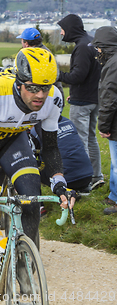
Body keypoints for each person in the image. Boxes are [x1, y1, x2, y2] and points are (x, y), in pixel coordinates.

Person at [0, 48, 76, 299]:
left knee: (31, 193)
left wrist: (59, 183)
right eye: (33, 88)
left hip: (12, 139)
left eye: (46, 87)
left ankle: (23, 265)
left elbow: (51, 147)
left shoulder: (54, 98)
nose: (40, 95)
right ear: (19, 82)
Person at [57, 14, 104, 190]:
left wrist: (57, 75)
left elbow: (78, 75)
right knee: (91, 138)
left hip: (83, 102)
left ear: (70, 28)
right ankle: (96, 176)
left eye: (62, 28)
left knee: (80, 140)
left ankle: (83, 182)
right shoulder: (91, 42)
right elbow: (92, 75)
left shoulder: (82, 47)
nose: (61, 32)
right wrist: (75, 94)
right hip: (94, 98)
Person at [90, 26, 117, 214]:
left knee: (116, 164)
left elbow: (109, 96)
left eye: (98, 48)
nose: (97, 52)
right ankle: (114, 196)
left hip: (115, 123)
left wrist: (104, 125)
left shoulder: (113, 64)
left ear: (105, 47)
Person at [16, 27, 65, 101]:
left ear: (26, 43)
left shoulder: (32, 56)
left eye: (22, 41)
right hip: (55, 94)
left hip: (47, 96)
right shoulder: (46, 52)